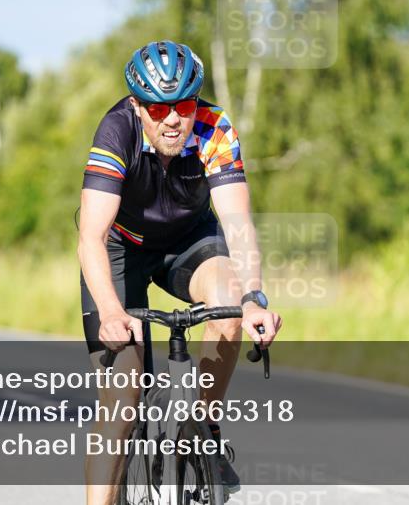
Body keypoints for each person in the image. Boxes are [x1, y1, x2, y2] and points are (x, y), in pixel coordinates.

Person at [78, 40, 281, 504]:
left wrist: (253, 297)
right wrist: (111, 311)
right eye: (158, 107)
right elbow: (91, 235)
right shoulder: (116, 131)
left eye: (184, 105)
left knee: (228, 307)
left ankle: (203, 429)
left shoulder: (214, 127)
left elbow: (238, 225)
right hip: (120, 248)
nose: (172, 118)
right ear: (137, 106)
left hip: (190, 241)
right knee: (123, 395)